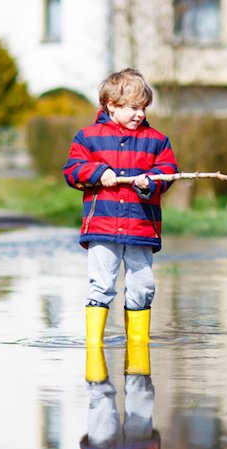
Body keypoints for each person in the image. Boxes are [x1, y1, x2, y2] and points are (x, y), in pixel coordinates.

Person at [63, 68, 178, 363]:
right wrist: (101, 173)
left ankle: (137, 349)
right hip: (102, 227)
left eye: (143, 108)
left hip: (141, 228)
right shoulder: (88, 137)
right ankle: (94, 349)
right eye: (132, 108)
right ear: (111, 105)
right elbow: (73, 171)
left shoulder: (156, 141)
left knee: (142, 286)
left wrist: (150, 180)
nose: (139, 114)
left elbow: (168, 172)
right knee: (102, 284)